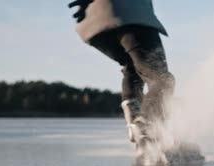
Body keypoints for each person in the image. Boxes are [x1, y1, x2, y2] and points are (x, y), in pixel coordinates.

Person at [68, 0, 174, 146]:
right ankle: (146, 127)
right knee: (162, 80)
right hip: (132, 16)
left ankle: (139, 130)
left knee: (132, 66)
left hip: (95, 25)